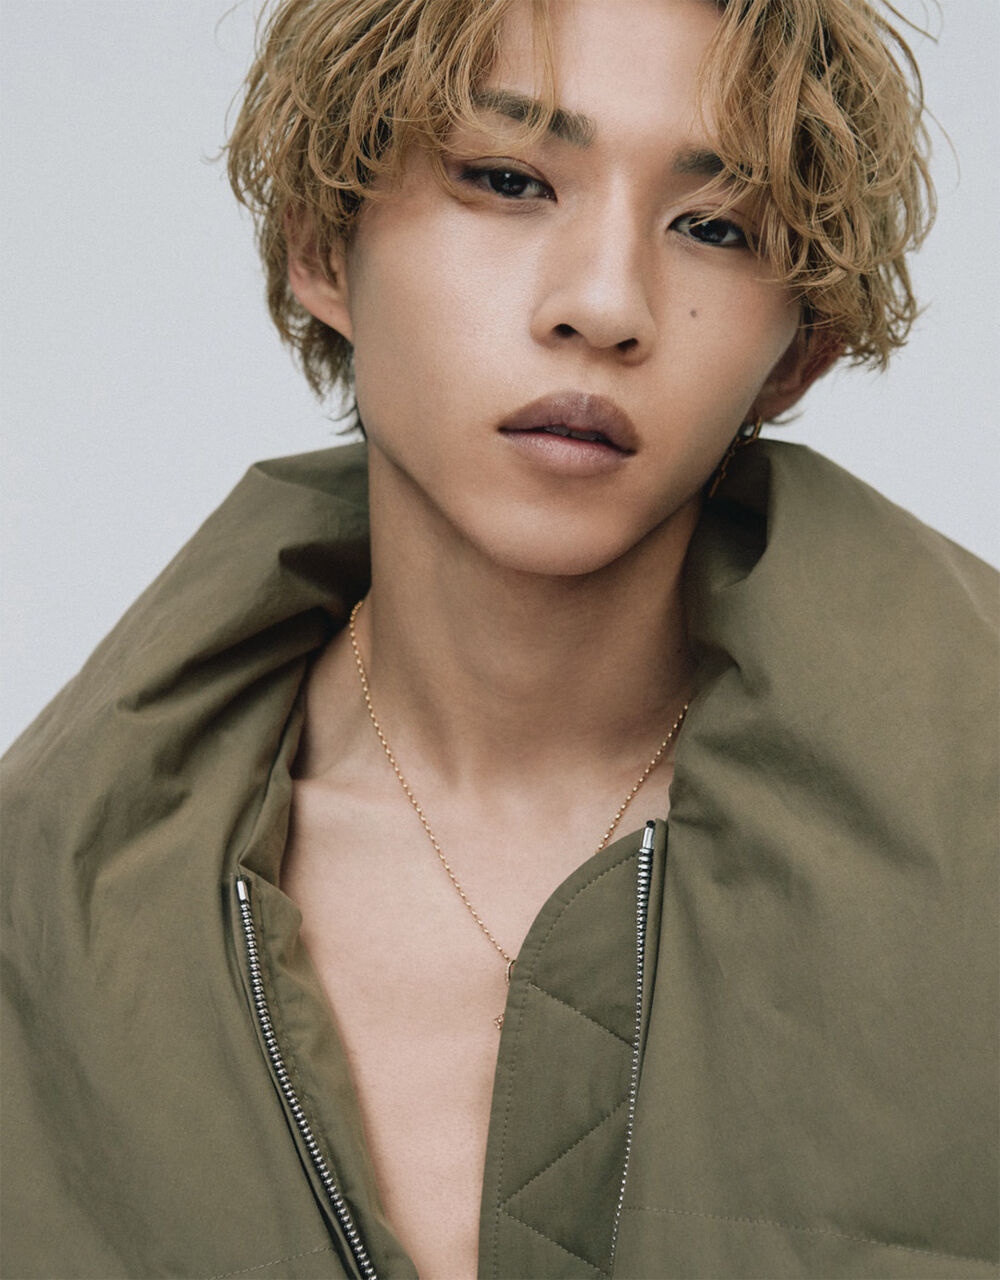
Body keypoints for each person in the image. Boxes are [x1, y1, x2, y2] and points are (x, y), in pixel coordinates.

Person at [1, 1, 996, 1277]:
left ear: (796, 352)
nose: (604, 304)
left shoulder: (972, 847)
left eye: (714, 226)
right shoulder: (49, 911)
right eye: (509, 179)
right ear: (321, 245)